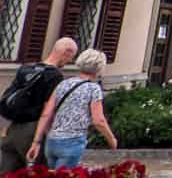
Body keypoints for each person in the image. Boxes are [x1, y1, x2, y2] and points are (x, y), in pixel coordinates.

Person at [27, 48, 116, 169]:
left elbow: (46, 114)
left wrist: (36, 141)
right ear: (99, 68)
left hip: (52, 140)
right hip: (73, 141)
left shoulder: (63, 84)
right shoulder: (93, 89)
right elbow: (98, 120)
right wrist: (111, 139)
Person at [0, 36, 75, 172]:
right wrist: (39, 139)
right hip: (33, 129)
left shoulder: (25, 69)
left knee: (7, 172)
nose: (70, 61)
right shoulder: (55, 76)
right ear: (66, 52)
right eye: (71, 57)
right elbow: (48, 110)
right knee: (39, 171)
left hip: (13, 128)